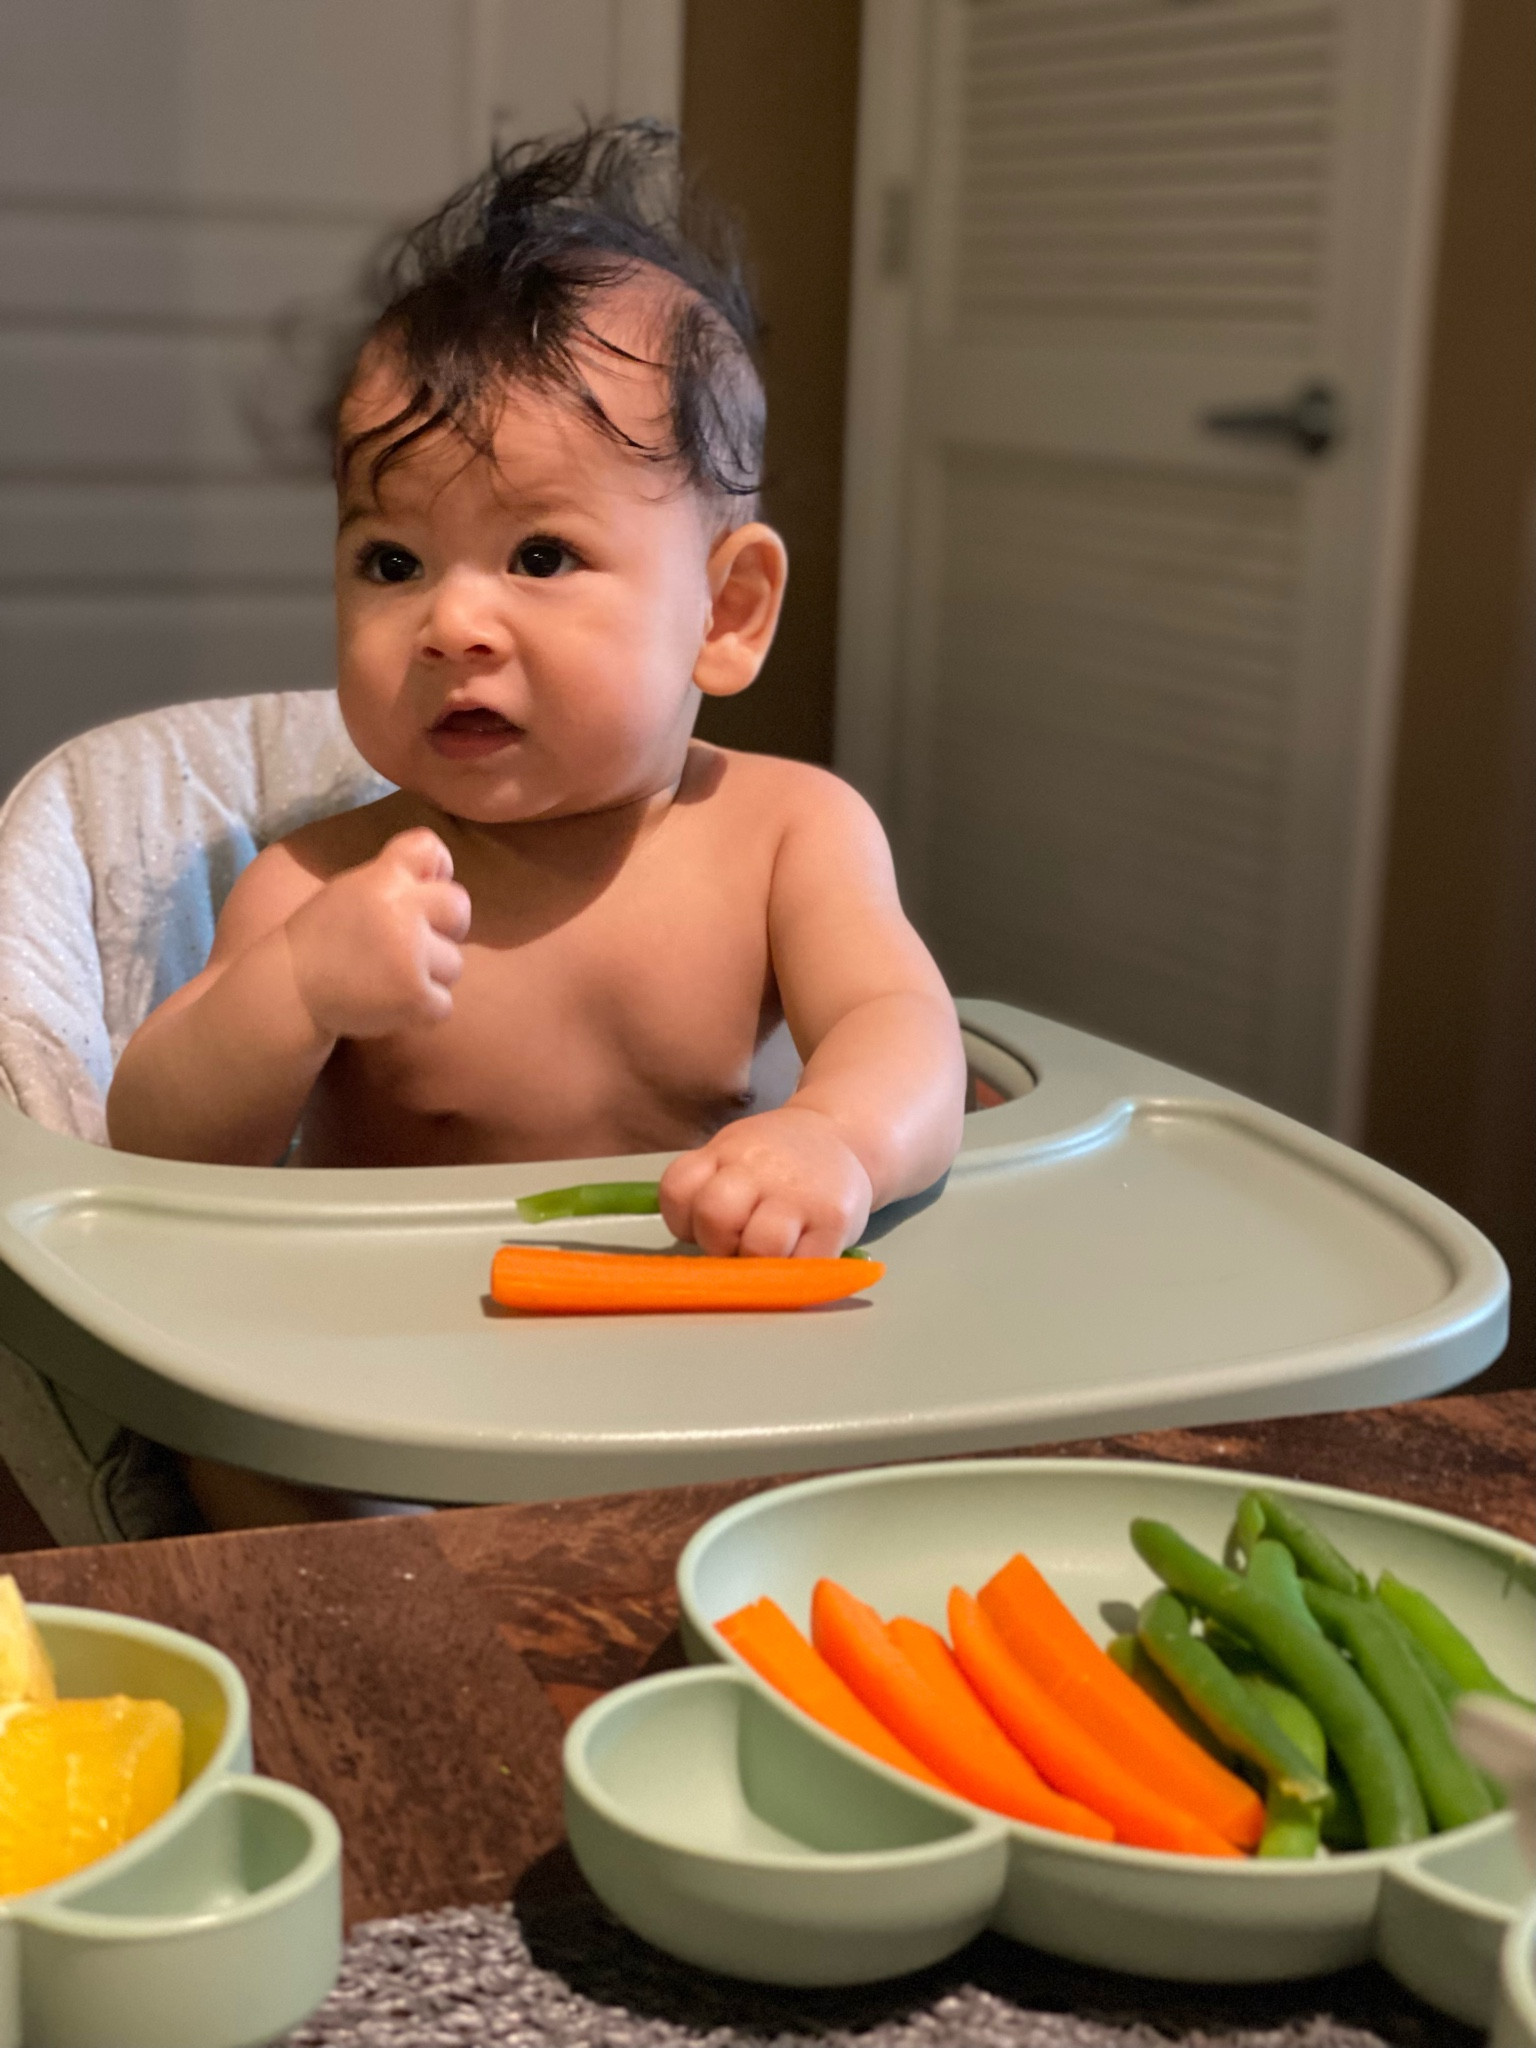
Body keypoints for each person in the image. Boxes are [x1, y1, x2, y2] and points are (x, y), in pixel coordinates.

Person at [108, 122, 966, 1280]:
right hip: (390, 1373)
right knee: (251, 1471)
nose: (451, 624)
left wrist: (836, 1138)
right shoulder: (320, 887)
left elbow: (904, 1032)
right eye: (392, 563)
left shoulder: (786, 839)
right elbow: (155, 1145)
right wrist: (297, 990)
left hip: (678, 1355)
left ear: (726, 614)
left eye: (543, 556)